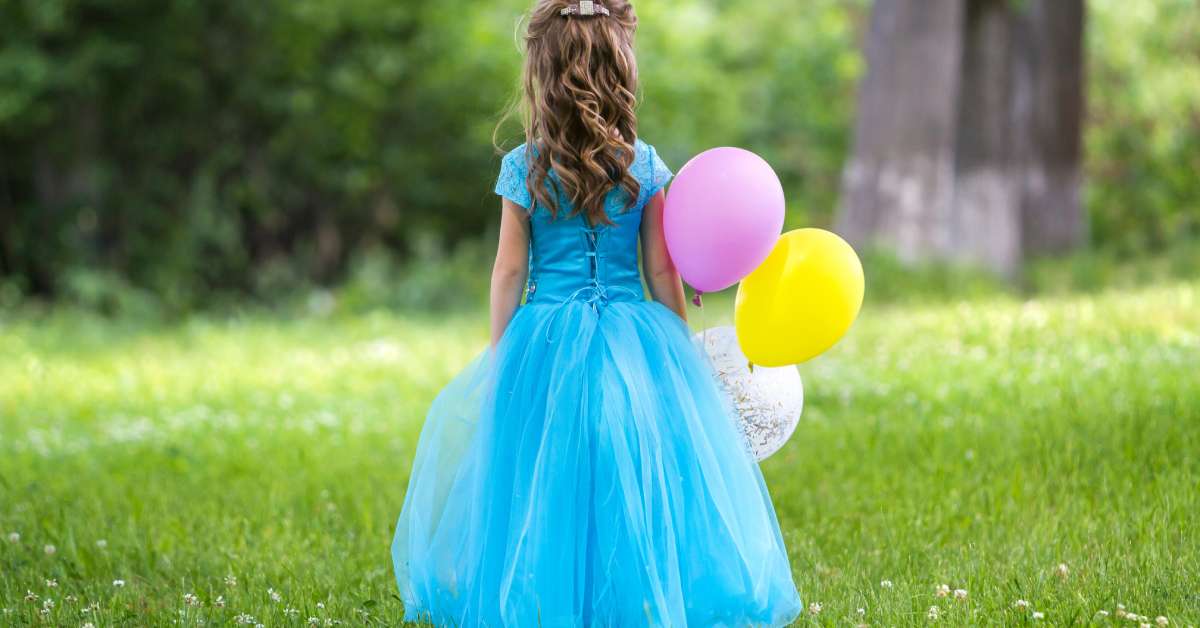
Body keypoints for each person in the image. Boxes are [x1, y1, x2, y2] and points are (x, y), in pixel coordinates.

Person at [391, 1, 801, 625]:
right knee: (631, 469)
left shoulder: (523, 167)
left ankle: (549, 598)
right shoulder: (641, 163)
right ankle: (632, 598)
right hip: (634, 339)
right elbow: (662, 270)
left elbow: (508, 272)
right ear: (621, 71)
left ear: (541, 72)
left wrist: (503, 351)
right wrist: (678, 349)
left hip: (545, 334)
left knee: (545, 472)